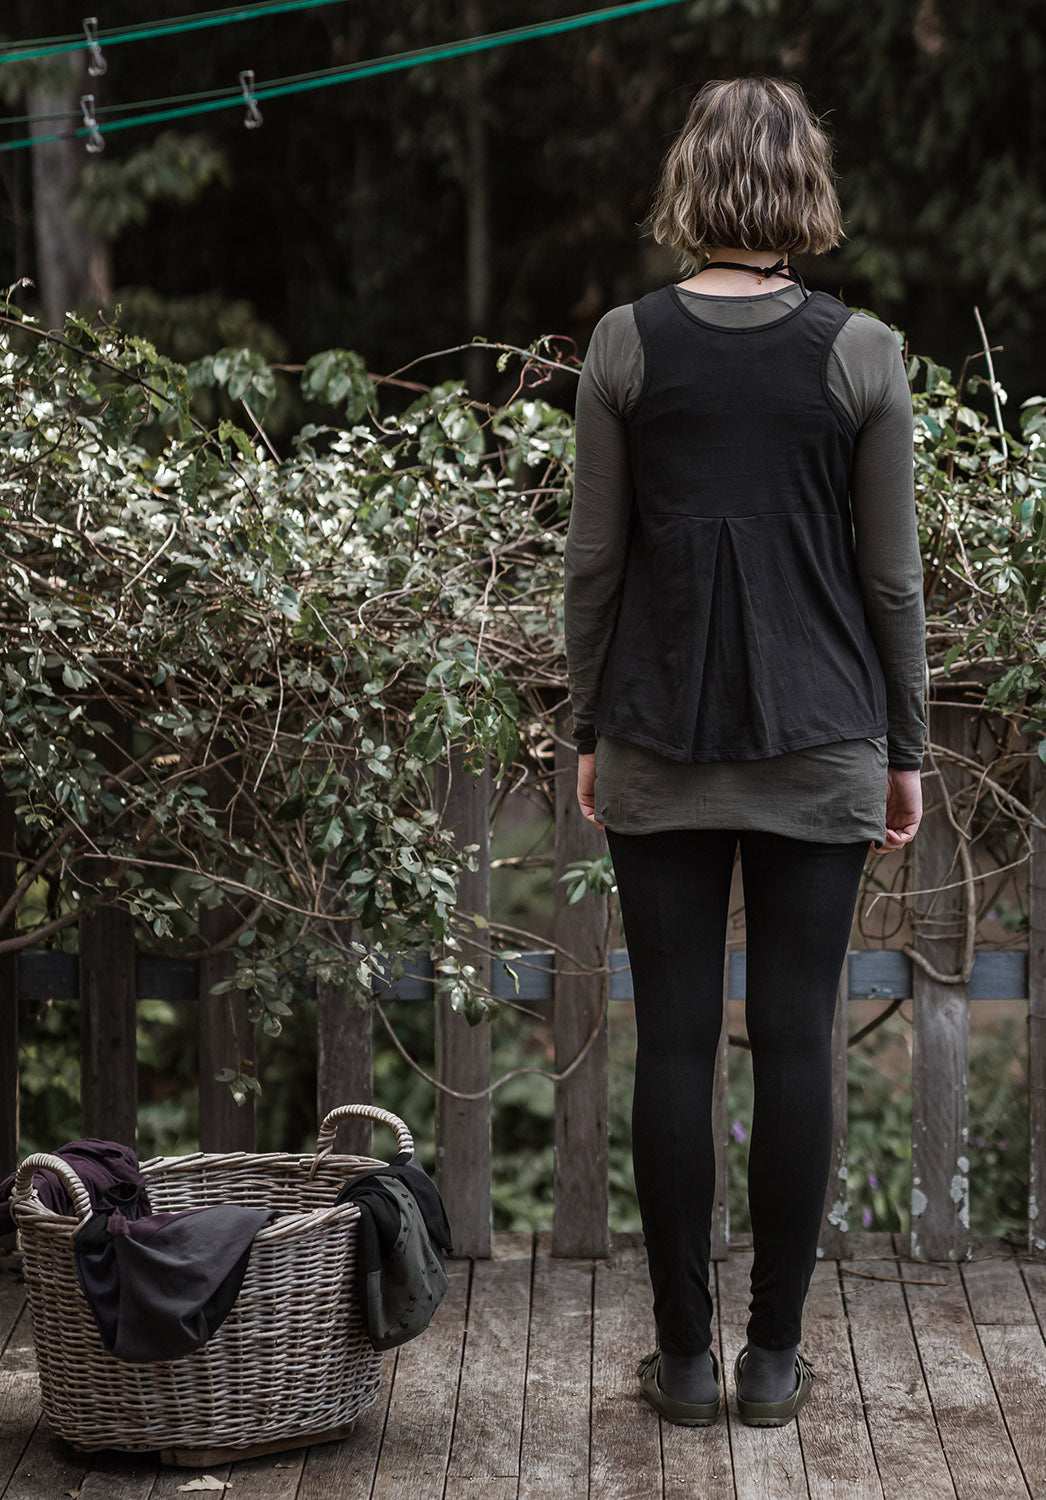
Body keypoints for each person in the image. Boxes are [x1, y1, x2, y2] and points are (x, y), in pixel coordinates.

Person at [564, 76, 925, 1429]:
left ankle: (681, 1364)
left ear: (691, 185)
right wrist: (905, 747)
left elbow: (592, 566)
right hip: (824, 741)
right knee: (793, 1043)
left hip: (654, 736)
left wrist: (588, 724)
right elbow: (890, 584)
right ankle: (772, 1362)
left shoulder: (624, 345)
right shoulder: (863, 353)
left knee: (670, 1042)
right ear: (801, 190)